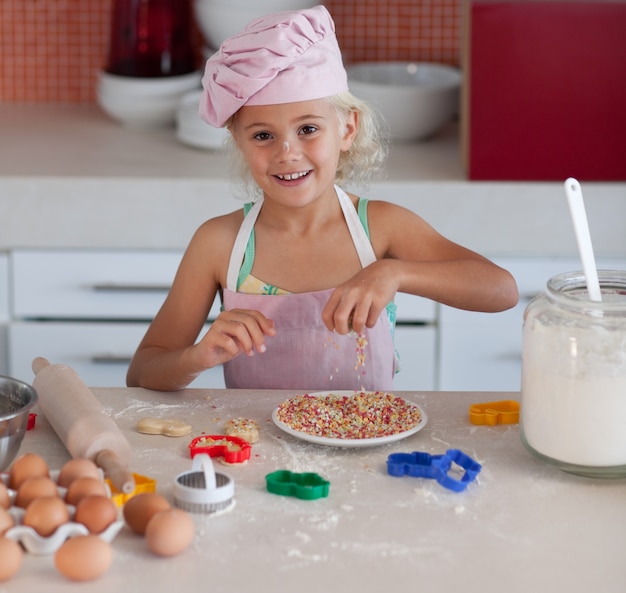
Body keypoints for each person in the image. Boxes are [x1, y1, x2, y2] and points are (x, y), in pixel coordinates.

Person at [126, 5, 518, 392]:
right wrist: (197, 356)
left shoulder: (381, 229)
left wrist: (394, 273)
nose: (287, 153)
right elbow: (143, 371)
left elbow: (501, 290)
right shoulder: (219, 245)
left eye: (308, 129)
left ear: (347, 129)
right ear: (239, 143)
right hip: (256, 456)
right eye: (263, 135)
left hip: (364, 452)